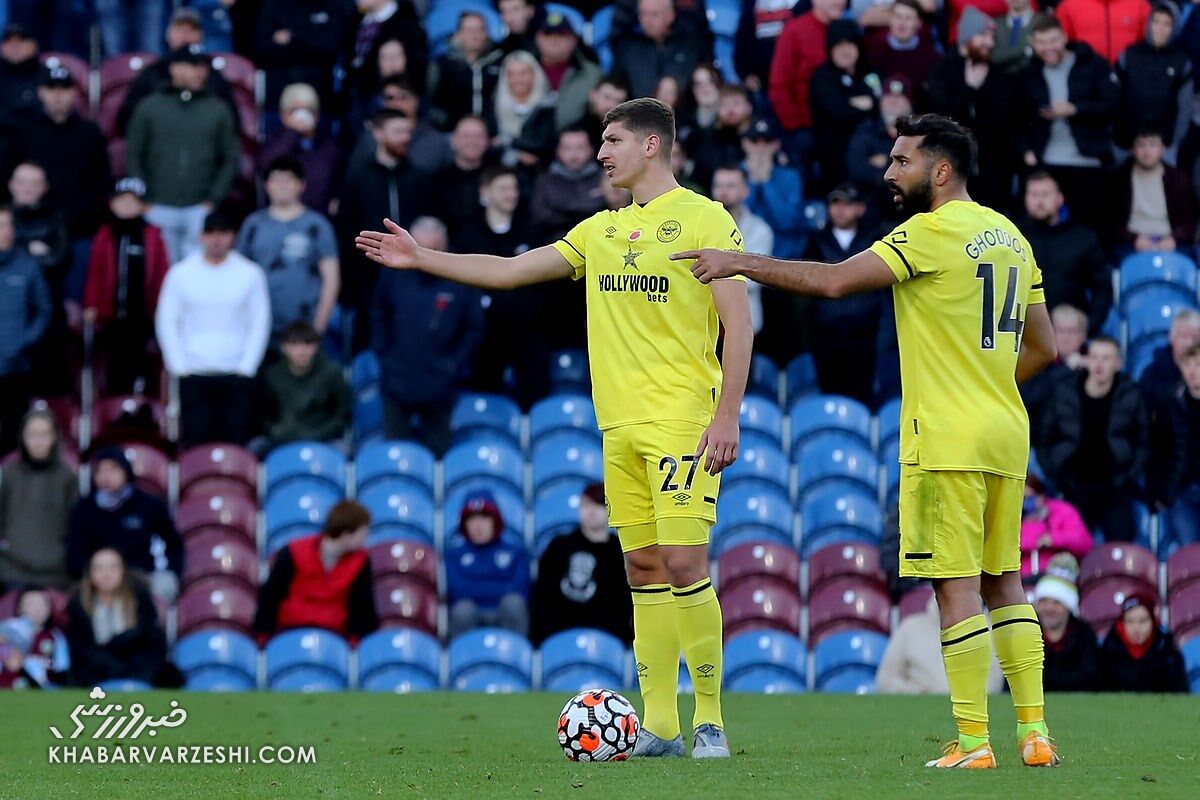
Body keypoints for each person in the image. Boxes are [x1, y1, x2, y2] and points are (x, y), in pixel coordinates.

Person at [358, 97, 752, 759]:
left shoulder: (705, 219)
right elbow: (511, 271)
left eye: (613, 140)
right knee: (642, 566)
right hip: (619, 424)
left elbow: (739, 324)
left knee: (686, 562)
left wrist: (727, 414)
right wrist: (425, 258)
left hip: (683, 420)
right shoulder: (599, 230)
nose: (601, 153)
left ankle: (708, 720)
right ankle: (659, 723)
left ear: (652, 146)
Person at [675, 114, 1061, 768]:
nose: (888, 173)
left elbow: (831, 282)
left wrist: (737, 261)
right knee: (1007, 580)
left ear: (940, 170)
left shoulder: (928, 232)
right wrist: (990, 384)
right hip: (1005, 431)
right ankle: (1034, 732)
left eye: (902, 161)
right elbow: (1046, 346)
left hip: (947, 436)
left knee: (954, 585)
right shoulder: (1011, 237)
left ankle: (973, 743)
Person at [154, 211, 272, 448]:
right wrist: (179, 366)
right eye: (210, 233)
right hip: (193, 373)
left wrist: (246, 367)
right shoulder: (180, 273)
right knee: (195, 443)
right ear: (200, 236)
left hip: (236, 373)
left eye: (223, 233)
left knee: (235, 443)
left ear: (233, 237)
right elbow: (166, 320)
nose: (216, 239)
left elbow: (259, 322)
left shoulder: (250, 274)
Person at [370, 216, 483, 455]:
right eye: (421, 248)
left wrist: (453, 364)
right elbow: (378, 313)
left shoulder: (461, 274)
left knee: (440, 457)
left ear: (445, 244)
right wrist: (385, 354)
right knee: (395, 455)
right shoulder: (394, 273)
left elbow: (474, 327)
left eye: (434, 249)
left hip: (440, 384)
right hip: (397, 381)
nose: (425, 256)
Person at [126, 44, 240, 264]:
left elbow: (229, 157)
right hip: (157, 205)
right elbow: (134, 154)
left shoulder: (218, 108)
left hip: (200, 208)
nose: (200, 72)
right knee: (158, 276)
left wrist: (213, 198)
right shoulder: (150, 106)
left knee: (197, 276)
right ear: (175, 69)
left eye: (202, 66)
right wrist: (144, 197)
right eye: (193, 65)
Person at [336, 109, 435, 351]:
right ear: (378, 133)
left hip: (414, 275)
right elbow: (345, 228)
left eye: (408, 132)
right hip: (367, 278)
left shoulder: (420, 177)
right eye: (398, 131)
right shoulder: (357, 177)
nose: (405, 137)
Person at [1041, 337, 1149, 542]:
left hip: (1115, 485)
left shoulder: (1131, 394)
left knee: (1120, 547)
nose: (1099, 364)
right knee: (1069, 546)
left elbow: (1143, 442)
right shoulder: (1065, 391)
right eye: (1094, 357)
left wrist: (1128, 477)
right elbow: (1045, 438)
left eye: (1106, 358)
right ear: (1086, 360)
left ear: (1118, 363)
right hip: (1073, 485)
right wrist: (1058, 475)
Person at [1015, 14, 1117, 229]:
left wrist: (1075, 109)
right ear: (1033, 44)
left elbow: (1112, 105)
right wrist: (1026, 151)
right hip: (1046, 162)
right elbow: (1016, 119)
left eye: (1053, 41)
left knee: (1092, 227)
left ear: (1064, 38)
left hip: (1088, 160)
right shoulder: (1027, 74)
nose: (1048, 48)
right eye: (1041, 43)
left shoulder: (1092, 64)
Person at [236, 157, 340, 344]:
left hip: (304, 327)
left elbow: (331, 279)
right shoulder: (253, 225)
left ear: (301, 185)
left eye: (288, 180)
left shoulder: (317, 225)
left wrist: (318, 329)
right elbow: (237, 275)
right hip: (259, 327)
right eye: (276, 180)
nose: (282, 186)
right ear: (267, 185)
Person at [82, 178, 170, 396]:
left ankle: (144, 405)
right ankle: (113, 404)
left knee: (143, 362)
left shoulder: (153, 235)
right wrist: (91, 304)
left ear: (143, 206)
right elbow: (95, 272)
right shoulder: (104, 236)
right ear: (112, 204)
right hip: (113, 315)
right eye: (122, 201)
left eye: (133, 202)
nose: (127, 207)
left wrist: (162, 306)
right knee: (114, 363)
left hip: (144, 316)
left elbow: (161, 272)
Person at [925, 8, 1018, 212]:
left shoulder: (997, 75)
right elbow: (942, 119)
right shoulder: (941, 72)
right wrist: (969, 90)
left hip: (993, 173)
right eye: (983, 35)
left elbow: (1003, 122)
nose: (990, 43)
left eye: (992, 37)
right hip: (953, 171)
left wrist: (979, 93)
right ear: (966, 37)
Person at [66, 446, 182, 602]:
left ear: (126, 472)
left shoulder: (150, 505)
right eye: (100, 471)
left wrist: (170, 570)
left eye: (113, 469)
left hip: (143, 574)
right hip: (100, 577)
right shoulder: (84, 509)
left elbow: (173, 544)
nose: (106, 476)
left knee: (164, 587)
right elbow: (75, 553)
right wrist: (97, 574)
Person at [803, 182, 884, 405]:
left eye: (847, 204)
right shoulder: (816, 240)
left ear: (860, 208)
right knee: (829, 393)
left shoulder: (876, 239)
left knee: (863, 395)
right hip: (826, 331)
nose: (840, 209)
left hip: (864, 332)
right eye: (835, 203)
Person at [253, 500, 378, 643]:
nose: (366, 538)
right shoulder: (293, 552)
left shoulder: (361, 562)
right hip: (289, 632)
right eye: (363, 533)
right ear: (347, 535)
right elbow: (270, 596)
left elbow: (363, 609)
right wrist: (263, 637)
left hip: (334, 639)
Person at [18, 65, 110, 248]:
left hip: (81, 231)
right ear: (40, 92)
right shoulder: (24, 132)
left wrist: (81, 215)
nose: (58, 95)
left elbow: (101, 181)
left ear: (74, 93)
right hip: (33, 228)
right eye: (51, 89)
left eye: (64, 89)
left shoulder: (90, 133)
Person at [531, 483, 633, 645]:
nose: (591, 511)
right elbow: (542, 594)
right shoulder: (559, 546)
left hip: (608, 636)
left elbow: (625, 602)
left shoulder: (620, 552)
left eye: (599, 504)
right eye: (586, 504)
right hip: (557, 632)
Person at [65, 548, 182, 688]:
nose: (106, 574)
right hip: (98, 669)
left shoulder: (140, 597)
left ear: (123, 571)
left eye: (113, 568)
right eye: (99, 568)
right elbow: (79, 650)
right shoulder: (78, 604)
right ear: (90, 573)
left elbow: (153, 641)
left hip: (138, 666)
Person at [113, 8, 237, 138]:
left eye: (191, 30)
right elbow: (125, 123)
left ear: (201, 35)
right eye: (179, 29)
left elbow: (232, 124)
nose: (185, 35)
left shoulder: (212, 75)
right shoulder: (152, 73)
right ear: (168, 34)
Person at [1016, 172, 1111, 336]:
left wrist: (1087, 328)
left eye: (1045, 194)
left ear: (1059, 199)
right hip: (1023, 332)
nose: (1039, 201)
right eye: (1034, 195)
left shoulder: (1083, 237)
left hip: (1070, 333)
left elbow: (1102, 287)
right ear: (1025, 199)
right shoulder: (1013, 235)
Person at [0, 408, 77, 590]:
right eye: (32, 434)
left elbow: (76, 524)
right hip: (13, 571)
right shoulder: (8, 473)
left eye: (44, 434)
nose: (38, 441)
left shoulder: (67, 475)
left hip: (58, 574)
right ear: (23, 437)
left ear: (54, 437)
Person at [877, 594, 1005, 694]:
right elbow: (885, 680)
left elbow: (993, 686)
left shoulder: (991, 630)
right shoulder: (909, 628)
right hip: (917, 713)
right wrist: (917, 693)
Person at [445, 491, 531, 639]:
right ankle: (464, 658)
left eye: (484, 518)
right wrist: (499, 587)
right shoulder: (453, 555)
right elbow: (456, 592)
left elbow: (520, 590)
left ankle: (515, 658)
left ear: (495, 521)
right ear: (464, 524)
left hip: (504, 612)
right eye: (472, 519)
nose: (478, 525)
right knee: (463, 610)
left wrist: (476, 588)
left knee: (513, 604)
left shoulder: (516, 553)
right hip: (471, 614)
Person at [256, 321, 350, 456]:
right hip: (282, 438)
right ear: (284, 347)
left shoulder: (332, 373)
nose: (301, 351)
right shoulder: (272, 374)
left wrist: (317, 434)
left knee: (343, 450)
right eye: (294, 344)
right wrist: (278, 432)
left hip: (323, 438)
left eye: (307, 344)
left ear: (316, 347)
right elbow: (265, 414)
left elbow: (341, 415)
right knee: (255, 447)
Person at [0, 205, 51, 454]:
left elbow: (44, 310)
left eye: (8, 224)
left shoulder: (27, 266)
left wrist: (23, 340)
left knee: (14, 438)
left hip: (16, 367)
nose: (5, 231)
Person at [1114, 3, 1192, 158]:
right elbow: (1113, 96)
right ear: (1149, 24)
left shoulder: (1182, 62)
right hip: (1125, 143)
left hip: (1164, 147)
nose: (1160, 29)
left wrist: (1174, 143)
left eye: (1167, 24)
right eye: (1156, 22)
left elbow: (1185, 109)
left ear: (1175, 27)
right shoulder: (1129, 55)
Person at [810, 21, 877, 194]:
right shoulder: (822, 77)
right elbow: (837, 111)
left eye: (849, 43)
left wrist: (850, 102)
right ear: (830, 49)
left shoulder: (869, 71)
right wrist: (863, 104)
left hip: (871, 150)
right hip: (835, 156)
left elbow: (880, 105)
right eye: (838, 45)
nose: (845, 50)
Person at [768, 0, 847, 145]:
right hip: (806, 131)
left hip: (844, 130)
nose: (840, 2)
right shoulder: (795, 31)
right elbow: (779, 84)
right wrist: (795, 127)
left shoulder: (849, 30)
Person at [257, 83, 342, 214]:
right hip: (281, 220)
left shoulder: (329, 148)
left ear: (316, 116)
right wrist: (292, 133)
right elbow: (266, 165)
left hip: (319, 221)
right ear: (283, 116)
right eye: (294, 111)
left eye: (308, 111)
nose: (302, 116)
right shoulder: (274, 143)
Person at [254, 0, 352, 113]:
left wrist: (293, 36)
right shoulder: (273, 4)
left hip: (318, 93)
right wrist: (311, 37)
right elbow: (262, 48)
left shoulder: (333, 5)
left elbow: (330, 47)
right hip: (279, 94)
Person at [338, 0, 428, 121]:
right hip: (354, 100)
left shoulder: (407, 24)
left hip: (386, 102)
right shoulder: (356, 20)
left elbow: (416, 72)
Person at [1109, 130, 1195, 256]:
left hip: (1170, 240)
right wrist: (1134, 238)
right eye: (1141, 145)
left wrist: (1173, 239)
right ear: (1133, 150)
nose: (1147, 151)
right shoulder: (1119, 179)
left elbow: (1189, 220)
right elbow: (1109, 222)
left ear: (1163, 149)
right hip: (1132, 241)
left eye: (1153, 145)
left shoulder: (1178, 178)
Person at [1149, 343, 1200, 548]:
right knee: (1190, 552)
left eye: (1198, 365)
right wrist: (1159, 492)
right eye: (1187, 365)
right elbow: (1158, 450)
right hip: (1180, 491)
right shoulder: (1169, 402)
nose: (1192, 371)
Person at [712, 165, 773, 336]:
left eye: (730, 186)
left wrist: (712, 274)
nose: (723, 191)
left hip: (744, 322)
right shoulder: (697, 225)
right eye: (718, 185)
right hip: (704, 323)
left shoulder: (760, 229)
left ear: (745, 191)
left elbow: (755, 276)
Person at [612, 0, 712, 100]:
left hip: (684, 112)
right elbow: (616, 83)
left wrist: (676, 83)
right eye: (643, 14)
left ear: (671, 15)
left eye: (654, 14)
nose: (647, 20)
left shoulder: (690, 45)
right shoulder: (628, 48)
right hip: (639, 112)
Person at [1022, 304, 1087, 448]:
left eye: (1071, 331)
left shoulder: (1095, 363)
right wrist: (1066, 369)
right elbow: (1028, 398)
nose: (1066, 337)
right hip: (1039, 444)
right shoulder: (1037, 361)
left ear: (1083, 335)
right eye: (1060, 331)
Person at [847, 75, 914, 215]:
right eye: (888, 96)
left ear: (910, 102)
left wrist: (885, 161)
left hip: (913, 209)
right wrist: (901, 167)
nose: (893, 102)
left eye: (899, 97)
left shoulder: (920, 134)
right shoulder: (865, 131)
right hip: (874, 212)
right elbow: (856, 169)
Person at [426, 11, 503, 132]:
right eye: (469, 30)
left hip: (492, 133)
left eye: (480, 29)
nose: (475, 35)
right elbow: (433, 103)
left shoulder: (500, 61)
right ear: (459, 34)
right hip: (452, 133)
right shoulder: (443, 64)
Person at [1033, 554, 1099, 691]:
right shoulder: (1028, 632)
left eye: (1057, 602)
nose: (1049, 608)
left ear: (1068, 607)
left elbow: (1088, 680)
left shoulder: (1084, 636)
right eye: (1044, 601)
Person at [1097, 593, 1189, 692]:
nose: (1136, 628)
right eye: (1130, 621)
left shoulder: (1168, 654)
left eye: (1143, 621)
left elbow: (1179, 693)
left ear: (1153, 622)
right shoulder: (1107, 653)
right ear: (1122, 623)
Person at [531, 127, 607, 243]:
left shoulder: (605, 178)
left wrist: (562, 209)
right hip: (555, 244)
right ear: (558, 151)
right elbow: (541, 216)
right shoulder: (545, 181)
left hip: (598, 241)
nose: (574, 154)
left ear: (591, 150)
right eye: (567, 148)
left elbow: (611, 211)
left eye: (580, 148)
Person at [1019, 474, 1091, 576]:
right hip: (1023, 582)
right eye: (1021, 499)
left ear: (1041, 496)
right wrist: (1033, 542)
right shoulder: (1013, 517)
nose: (1024, 503)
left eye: (1028, 498)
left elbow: (1084, 543)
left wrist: (1054, 539)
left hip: (1057, 577)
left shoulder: (1062, 511)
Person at [864, 0, 941, 95]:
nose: (902, 23)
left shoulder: (931, 56)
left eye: (908, 18)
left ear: (919, 23)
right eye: (897, 16)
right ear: (890, 19)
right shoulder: (873, 48)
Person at [0, 588, 69, 688]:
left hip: (45, 688)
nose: (37, 608)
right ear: (19, 608)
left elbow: (62, 667)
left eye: (42, 604)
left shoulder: (56, 636)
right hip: (10, 685)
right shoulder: (9, 629)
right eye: (31, 604)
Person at [437, 115, 494, 237]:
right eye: (466, 136)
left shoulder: (498, 179)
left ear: (488, 141)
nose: (472, 142)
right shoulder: (438, 181)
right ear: (454, 140)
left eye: (478, 136)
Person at [1055, 0, 1151, 64]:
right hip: (1087, 78)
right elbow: (1061, 43)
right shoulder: (1069, 5)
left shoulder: (1140, 5)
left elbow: (1148, 43)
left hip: (1129, 77)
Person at [1140, 309, 1200, 411]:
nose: (1190, 343)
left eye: (1195, 338)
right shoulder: (1153, 374)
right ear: (1171, 337)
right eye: (1184, 336)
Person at [0, 24, 43, 124]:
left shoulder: (45, 75)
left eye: (20, 41)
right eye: (9, 41)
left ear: (34, 45)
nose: (14, 46)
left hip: (37, 133)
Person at [992, 0, 1035, 74]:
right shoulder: (995, 24)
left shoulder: (1042, 22)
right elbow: (993, 57)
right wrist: (1026, 51)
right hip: (1000, 79)